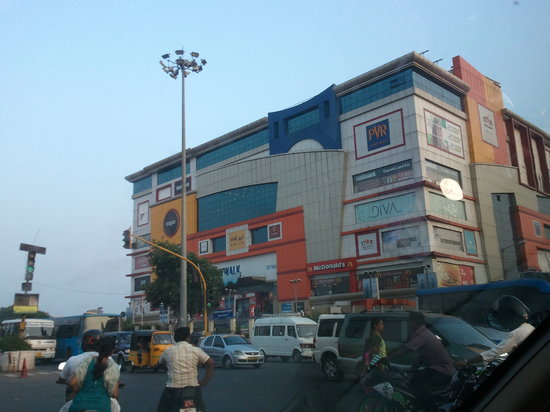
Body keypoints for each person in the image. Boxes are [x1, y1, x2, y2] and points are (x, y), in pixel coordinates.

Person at [388, 311, 456, 412]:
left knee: (415, 381)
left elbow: (405, 350)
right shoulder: (424, 332)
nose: (409, 324)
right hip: (444, 369)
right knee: (414, 376)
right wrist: (412, 369)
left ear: (414, 322)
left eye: (409, 322)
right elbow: (422, 358)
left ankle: (429, 408)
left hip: (442, 370)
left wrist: (387, 357)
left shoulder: (421, 335)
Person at [456, 295, 535, 367]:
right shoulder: (529, 327)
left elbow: (495, 352)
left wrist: (467, 361)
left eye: (501, 317)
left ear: (509, 317)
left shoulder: (518, 332)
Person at [156, 327, 215, 412]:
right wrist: (204, 382)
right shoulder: (196, 350)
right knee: (200, 409)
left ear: (175, 338)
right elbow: (211, 363)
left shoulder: (167, 351)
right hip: (193, 388)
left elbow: (159, 363)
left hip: (173, 389)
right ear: (188, 337)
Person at [67, 335, 120, 412]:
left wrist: (77, 391)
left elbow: (72, 383)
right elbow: (114, 394)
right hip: (102, 407)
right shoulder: (113, 366)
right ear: (112, 351)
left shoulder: (87, 362)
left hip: (80, 406)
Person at [57, 329, 101, 401]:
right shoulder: (109, 361)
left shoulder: (72, 360)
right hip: (101, 401)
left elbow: (63, 379)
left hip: (77, 401)